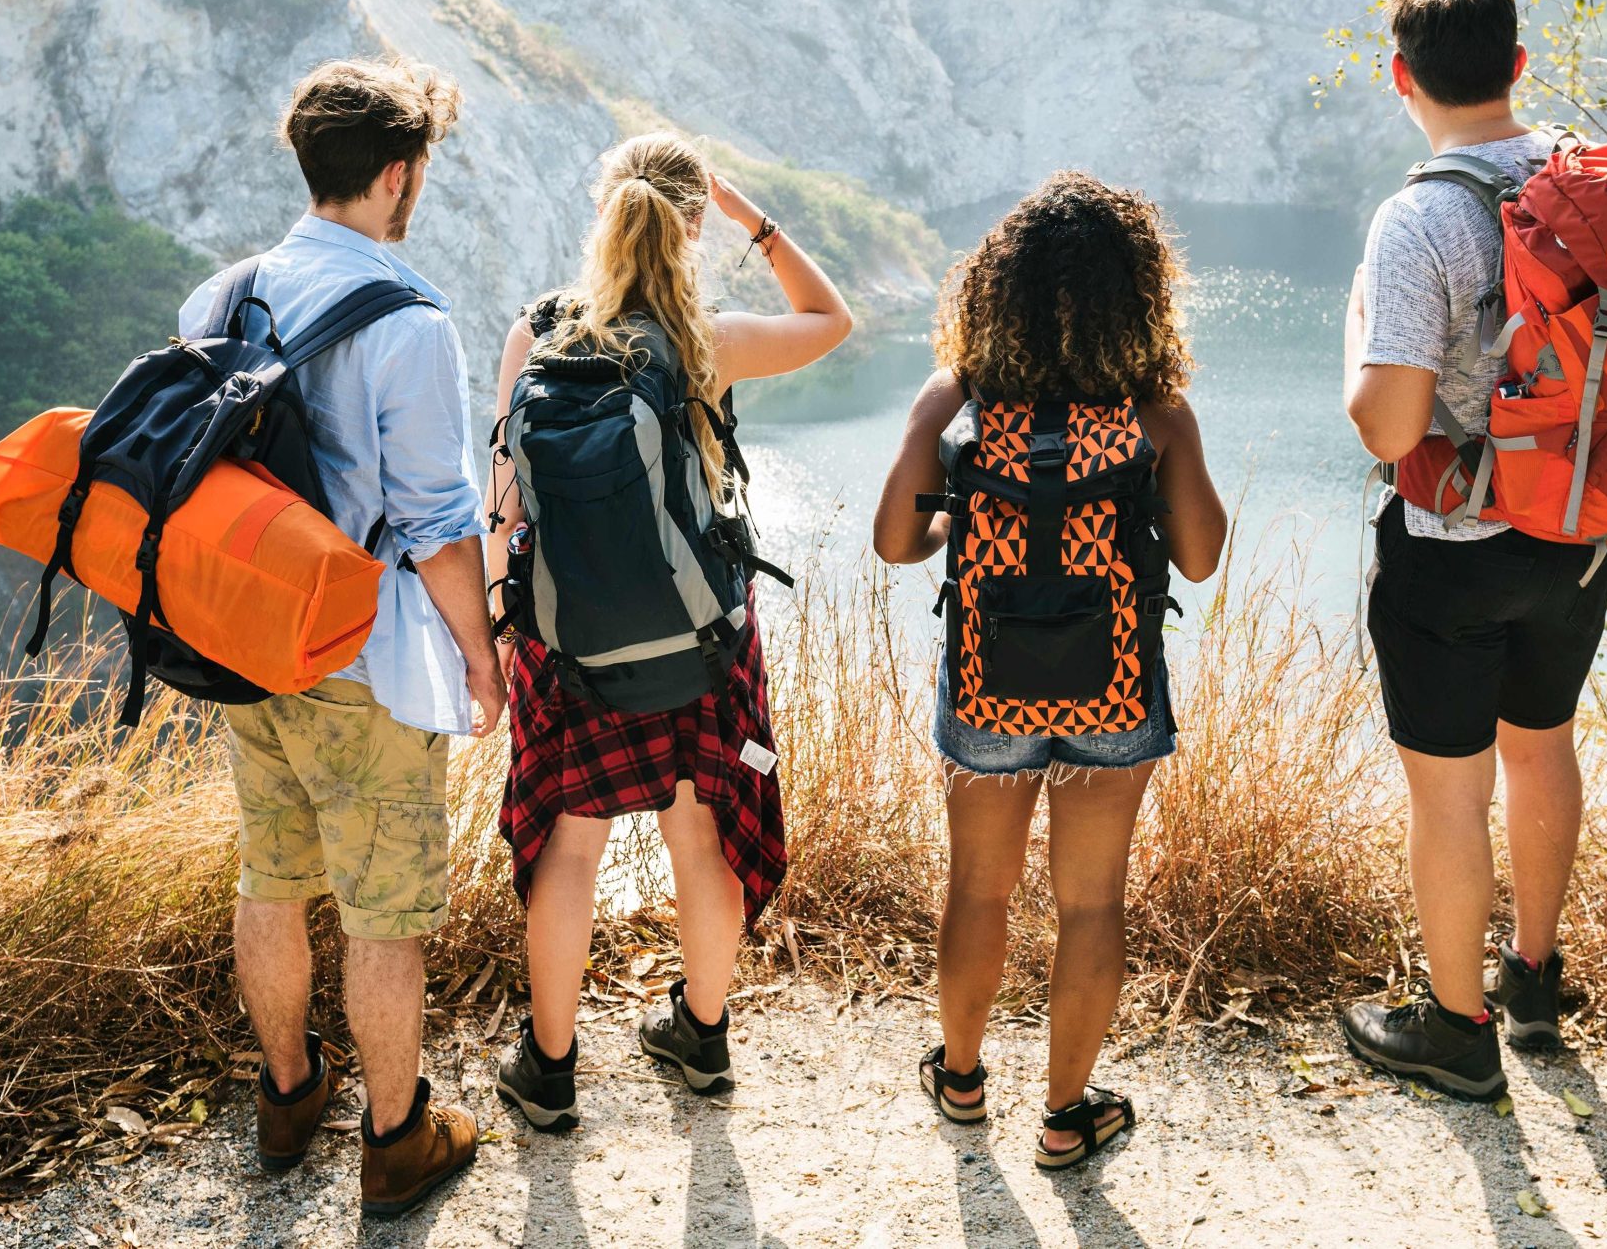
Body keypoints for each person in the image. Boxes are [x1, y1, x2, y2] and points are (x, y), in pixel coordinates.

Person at [1339, 0, 1607, 1099]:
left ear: (1399, 78)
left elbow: (1387, 424)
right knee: (1541, 740)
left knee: (1449, 789)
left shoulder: (1419, 215)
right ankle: (1533, 983)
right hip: (1583, 531)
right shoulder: (1595, 187)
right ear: (1516, 64)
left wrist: (1355, 331)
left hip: (1451, 550)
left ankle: (1454, 1029)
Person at [177, 58, 502, 1217]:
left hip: (243, 644)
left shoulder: (217, 299)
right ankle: (396, 1137)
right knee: (385, 913)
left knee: (270, 873)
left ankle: (287, 1092)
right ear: (401, 174)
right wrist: (479, 655)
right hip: (364, 659)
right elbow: (437, 522)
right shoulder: (409, 321)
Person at [488, 132, 851, 1130]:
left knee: (570, 846)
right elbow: (832, 317)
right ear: (690, 226)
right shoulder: (702, 342)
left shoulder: (539, 333)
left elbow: (503, 506)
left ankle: (550, 1069)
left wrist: (500, 631)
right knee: (701, 835)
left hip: (568, 651)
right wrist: (755, 221)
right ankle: (700, 1034)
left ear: (602, 213)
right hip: (703, 643)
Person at [871, 173, 1227, 1171]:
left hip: (988, 678)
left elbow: (897, 541)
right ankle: (1068, 1113)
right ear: (1138, 295)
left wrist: (968, 511)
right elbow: (1198, 557)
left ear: (999, 290)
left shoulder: (961, 396)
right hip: (1114, 685)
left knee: (977, 889)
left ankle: (960, 1077)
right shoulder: (1154, 411)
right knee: (1090, 902)